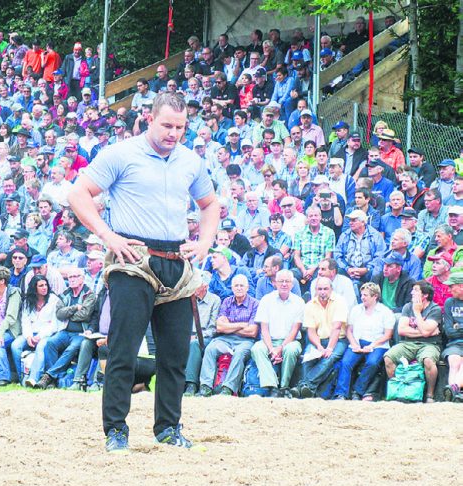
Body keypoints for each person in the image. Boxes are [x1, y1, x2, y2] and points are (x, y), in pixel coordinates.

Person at [68, 93, 219, 452]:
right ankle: (116, 430)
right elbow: (78, 194)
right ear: (149, 119)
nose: (173, 133)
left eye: (180, 127)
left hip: (177, 261)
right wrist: (106, 234)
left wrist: (204, 243)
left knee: (175, 353)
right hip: (132, 258)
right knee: (123, 349)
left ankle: (168, 427)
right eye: (167, 125)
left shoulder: (190, 161)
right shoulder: (121, 154)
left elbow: (210, 204)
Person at [197, 274, 259, 396]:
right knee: (210, 349)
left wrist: (229, 326)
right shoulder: (227, 302)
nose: (239, 288)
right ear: (232, 287)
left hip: (245, 341)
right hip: (224, 339)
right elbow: (220, 327)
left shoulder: (255, 304)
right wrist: (242, 324)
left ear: (247, 288)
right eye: (236, 285)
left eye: (242, 285)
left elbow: (252, 331)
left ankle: (228, 388)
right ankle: (205, 386)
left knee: (240, 353)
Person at [332, 282, 395, 400]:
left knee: (372, 363)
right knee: (346, 362)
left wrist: (372, 345)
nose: (362, 297)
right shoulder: (356, 310)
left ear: (375, 296)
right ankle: (341, 393)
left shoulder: (385, 312)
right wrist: (354, 343)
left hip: (378, 344)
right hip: (357, 342)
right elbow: (349, 330)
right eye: (362, 295)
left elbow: (387, 335)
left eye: (366, 295)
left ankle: (358, 390)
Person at [384, 280, 443, 403]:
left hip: (430, 344)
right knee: (389, 357)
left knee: (428, 360)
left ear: (425, 295)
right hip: (407, 343)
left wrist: (417, 312)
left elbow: (426, 333)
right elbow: (401, 330)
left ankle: (429, 394)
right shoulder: (407, 306)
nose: (411, 292)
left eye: (415, 290)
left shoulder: (435, 309)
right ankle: (398, 390)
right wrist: (425, 331)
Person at [290, 276, 348, 398]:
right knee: (308, 358)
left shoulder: (340, 301)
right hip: (318, 340)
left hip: (338, 340)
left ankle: (304, 385)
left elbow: (337, 328)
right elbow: (311, 331)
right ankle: (308, 390)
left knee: (329, 358)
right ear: (316, 290)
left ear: (331, 289)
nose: (322, 292)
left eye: (325, 289)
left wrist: (329, 348)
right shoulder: (310, 305)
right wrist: (319, 347)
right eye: (320, 289)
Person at [251, 269, 305, 397]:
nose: (284, 284)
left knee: (291, 350)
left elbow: (295, 330)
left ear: (292, 284)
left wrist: (280, 348)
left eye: (287, 281)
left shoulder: (299, 302)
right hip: (269, 340)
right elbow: (264, 329)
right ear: (275, 283)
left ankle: (284, 387)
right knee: (257, 349)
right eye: (281, 281)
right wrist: (271, 349)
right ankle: (272, 385)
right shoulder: (266, 300)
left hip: (290, 341)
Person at [441, 271, 463, 402]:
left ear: (461, 286)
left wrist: (458, 326)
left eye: (451, 286)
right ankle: (455, 391)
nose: (449, 290)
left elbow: (454, 328)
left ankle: (453, 390)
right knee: (454, 360)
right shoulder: (449, 302)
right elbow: (449, 331)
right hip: (454, 343)